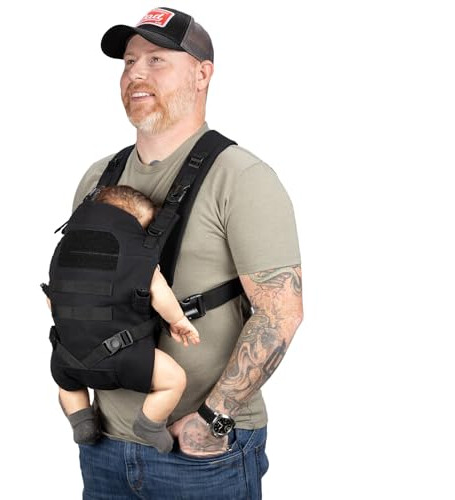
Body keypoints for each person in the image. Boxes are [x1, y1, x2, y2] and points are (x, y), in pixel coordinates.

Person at [68, 7, 303, 499]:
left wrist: (213, 420)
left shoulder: (242, 178)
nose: (136, 72)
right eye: (129, 61)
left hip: (201, 456)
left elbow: (280, 314)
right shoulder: (98, 179)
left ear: (202, 74)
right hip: (104, 446)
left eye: (156, 59)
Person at [50, 185, 201, 453]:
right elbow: (159, 293)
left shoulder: (65, 250)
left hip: (67, 357)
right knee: (173, 380)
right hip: (124, 357)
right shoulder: (135, 253)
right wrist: (178, 320)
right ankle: (150, 424)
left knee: (68, 386)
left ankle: (82, 422)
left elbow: (53, 299)